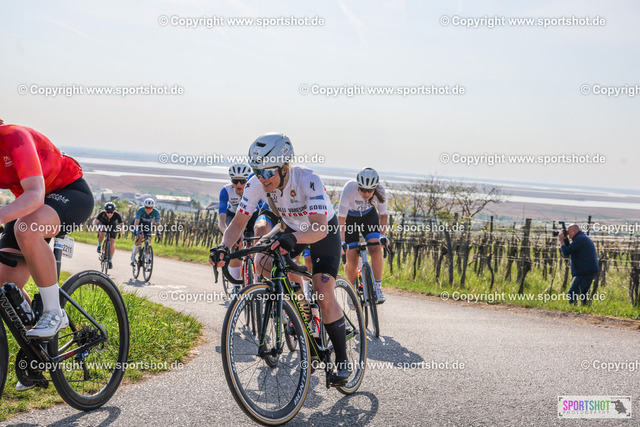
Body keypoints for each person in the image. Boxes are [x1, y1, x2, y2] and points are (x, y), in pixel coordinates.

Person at [211, 133, 350, 385]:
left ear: (285, 168)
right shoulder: (256, 183)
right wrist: (223, 247)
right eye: (257, 171)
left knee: (323, 291)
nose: (262, 178)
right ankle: (300, 306)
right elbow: (238, 223)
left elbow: (319, 228)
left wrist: (294, 239)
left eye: (268, 172)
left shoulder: (308, 180)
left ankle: (342, 361)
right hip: (291, 228)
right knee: (261, 262)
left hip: (321, 231)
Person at [0, 119, 94, 390]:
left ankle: (54, 311)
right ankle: (36, 350)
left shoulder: (14, 137)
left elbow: (35, 195)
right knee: (4, 284)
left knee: (26, 228)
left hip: (69, 194)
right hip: (33, 208)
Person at [218, 164, 278, 291]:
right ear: (231, 181)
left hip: (253, 215)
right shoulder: (226, 191)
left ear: (248, 180)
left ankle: (258, 275)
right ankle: (236, 287)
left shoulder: (254, 188)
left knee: (260, 234)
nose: (239, 185)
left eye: (242, 181)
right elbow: (221, 220)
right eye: (235, 181)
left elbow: (262, 210)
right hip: (233, 216)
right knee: (235, 245)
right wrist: (228, 237)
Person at [338, 167, 389, 303]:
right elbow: (341, 219)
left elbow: (383, 216)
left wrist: (382, 236)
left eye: (370, 190)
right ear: (358, 186)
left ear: (375, 188)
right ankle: (352, 290)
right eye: (363, 190)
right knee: (352, 257)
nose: (366, 194)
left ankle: (377, 288)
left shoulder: (380, 190)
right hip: (350, 219)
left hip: (368, 217)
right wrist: (342, 242)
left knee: (376, 249)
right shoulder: (349, 188)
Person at [558, 223, 599, 305]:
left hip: (585, 272)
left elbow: (566, 252)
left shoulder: (580, 239)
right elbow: (571, 249)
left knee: (572, 293)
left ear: (573, 230)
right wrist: (565, 239)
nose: (567, 233)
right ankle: (585, 309)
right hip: (589, 271)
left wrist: (561, 241)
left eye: (568, 231)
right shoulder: (582, 238)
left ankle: (573, 310)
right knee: (583, 293)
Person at [131, 198, 161, 265]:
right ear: (144, 207)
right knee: (140, 237)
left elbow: (158, 223)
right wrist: (137, 231)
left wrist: (159, 232)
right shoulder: (141, 210)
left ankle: (147, 262)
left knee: (148, 242)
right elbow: (136, 222)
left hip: (147, 225)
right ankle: (133, 253)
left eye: (150, 208)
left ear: (153, 207)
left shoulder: (156, 212)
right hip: (138, 224)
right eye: (147, 207)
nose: (148, 209)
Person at [94, 202, 123, 269]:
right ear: (105, 211)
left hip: (113, 227)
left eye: (111, 212)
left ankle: (110, 260)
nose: (110, 214)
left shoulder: (117, 215)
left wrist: (121, 229)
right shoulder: (102, 214)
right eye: (108, 212)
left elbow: (121, 224)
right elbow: (95, 221)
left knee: (112, 243)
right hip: (103, 225)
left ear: (114, 211)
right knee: (102, 229)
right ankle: (99, 245)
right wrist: (96, 227)